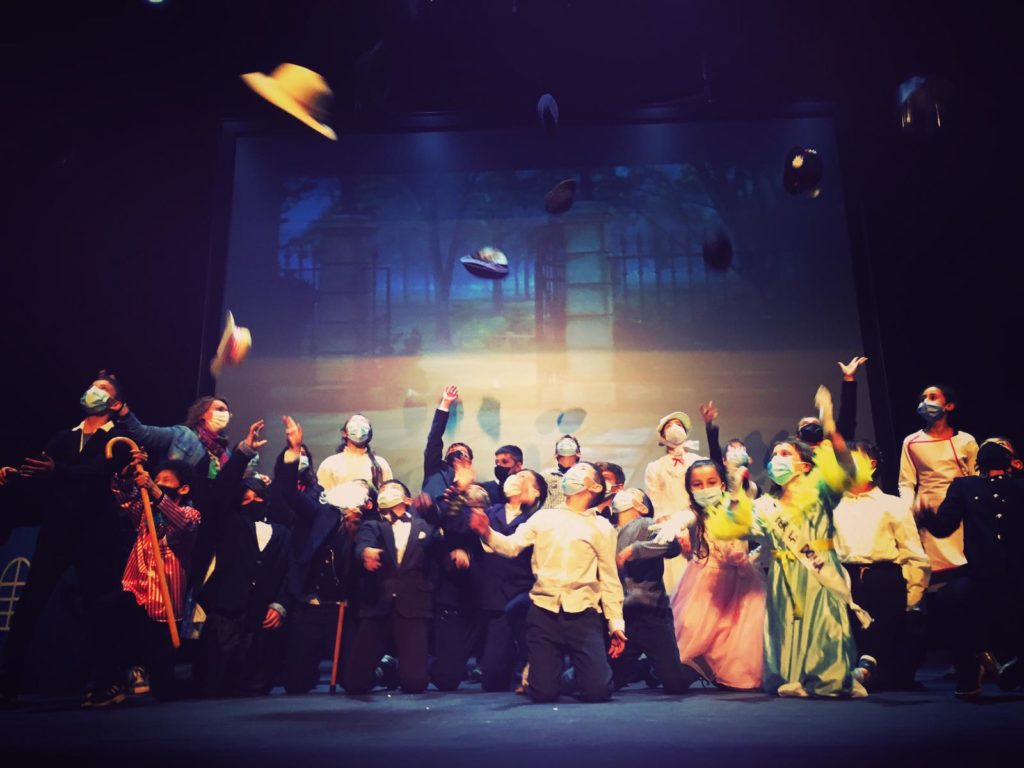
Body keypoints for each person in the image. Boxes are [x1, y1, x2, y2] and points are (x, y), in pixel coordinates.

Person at [714, 424, 870, 698]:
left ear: (805, 465)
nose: (777, 459)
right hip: (783, 574)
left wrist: (832, 429)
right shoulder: (765, 505)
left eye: (785, 454)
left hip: (818, 570)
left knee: (824, 627)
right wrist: (735, 489)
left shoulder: (821, 492)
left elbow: (848, 472)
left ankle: (833, 678)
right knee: (785, 628)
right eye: (774, 455)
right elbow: (736, 527)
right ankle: (792, 678)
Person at [0, 372, 127, 707]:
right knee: (29, 604)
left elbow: (99, 474)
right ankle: (7, 684)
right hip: (57, 531)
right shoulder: (63, 437)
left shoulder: (118, 438)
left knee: (99, 607)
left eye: (102, 389)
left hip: (96, 535)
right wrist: (17, 476)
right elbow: (43, 473)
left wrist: (58, 471)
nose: (93, 392)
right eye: (92, 386)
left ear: (114, 403)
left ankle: (108, 683)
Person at [468, 462, 627, 703]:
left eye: (581, 472)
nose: (572, 474)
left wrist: (616, 625)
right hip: (544, 612)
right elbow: (511, 546)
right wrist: (486, 532)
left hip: (583, 614)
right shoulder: (543, 517)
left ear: (595, 487)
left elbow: (609, 579)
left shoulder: (601, 527)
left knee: (598, 691)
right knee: (543, 692)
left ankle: (574, 673)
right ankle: (539, 672)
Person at [90, 455, 201, 706]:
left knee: (164, 686)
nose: (157, 482)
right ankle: (109, 683)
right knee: (104, 609)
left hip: (163, 600)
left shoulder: (191, 514)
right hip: (138, 589)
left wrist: (153, 487)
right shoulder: (145, 512)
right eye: (156, 479)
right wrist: (126, 475)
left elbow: (182, 523)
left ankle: (178, 684)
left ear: (183, 489)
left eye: (165, 480)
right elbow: (125, 497)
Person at [920, 437, 1024, 696]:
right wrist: (927, 516)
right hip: (988, 575)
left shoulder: (1010, 487)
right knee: (955, 598)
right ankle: (971, 673)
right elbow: (944, 526)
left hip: (1004, 575)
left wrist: (926, 516)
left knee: (965, 600)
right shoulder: (967, 486)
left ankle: (998, 667)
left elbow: (943, 527)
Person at [195, 419, 291, 697]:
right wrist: (244, 452)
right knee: (215, 683)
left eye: (256, 498)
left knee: (253, 687)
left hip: (261, 616)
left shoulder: (282, 533)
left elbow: (288, 572)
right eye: (245, 499)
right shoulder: (230, 522)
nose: (251, 503)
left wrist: (280, 605)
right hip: (226, 610)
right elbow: (222, 492)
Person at [833, 441, 930, 690]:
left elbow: (913, 554)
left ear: (871, 464)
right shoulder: (834, 506)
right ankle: (861, 669)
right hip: (846, 578)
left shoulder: (892, 504)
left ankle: (876, 669)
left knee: (889, 648)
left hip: (883, 577)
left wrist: (912, 599)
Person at [275, 416, 362, 695]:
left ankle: (380, 665)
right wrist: (294, 449)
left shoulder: (367, 526)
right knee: (296, 684)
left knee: (355, 682)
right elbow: (289, 492)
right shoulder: (321, 511)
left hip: (343, 608)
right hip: (311, 604)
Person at [670, 459, 767, 691]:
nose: (705, 489)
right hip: (706, 580)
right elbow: (685, 518)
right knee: (696, 628)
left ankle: (727, 672)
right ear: (690, 489)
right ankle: (692, 668)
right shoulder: (694, 513)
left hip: (741, 580)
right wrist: (673, 524)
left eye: (711, 482)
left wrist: (755, 556)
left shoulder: (735, 506)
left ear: (722, 484)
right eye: (697, 484)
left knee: (738, 633)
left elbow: (751, 520)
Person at [344, 483, 446, 695]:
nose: (386, 493)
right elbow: (363, 544)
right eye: (383, 491)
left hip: (413, 603)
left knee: (414, 683)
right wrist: (365, 553)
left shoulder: (423, 526)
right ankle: (384, 670)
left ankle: (415, 664)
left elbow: (439, 545)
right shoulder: (373, 525)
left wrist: (433, 512)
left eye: (393, 490)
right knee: (354, 683)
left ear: (407, 500)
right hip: (379, 601)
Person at [611, 488, 701, 693]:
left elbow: (671, 547)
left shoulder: (645, 523)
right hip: (623, 617)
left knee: (675, 684)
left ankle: (699, 666)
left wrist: (635, 550)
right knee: (610, 680)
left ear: (641, 507)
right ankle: (645, 669)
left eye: (632, 492)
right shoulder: (608, 529)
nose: (623, 493)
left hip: (652, 614)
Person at [470, 470, 546, 691]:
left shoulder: (538, 520)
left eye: (524, 478)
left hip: (525, 594)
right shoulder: (490, 512)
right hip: (496, 596)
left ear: (536, 491)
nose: (516, 480)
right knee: (492, 680)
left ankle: (532, 669)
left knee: (532, 647)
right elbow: (460, 522)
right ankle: (507, 662)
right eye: (516, 476)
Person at [898, 384, 977, 575]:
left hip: (961, 511)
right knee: (936, 572)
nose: (926, 402)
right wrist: (909, 510)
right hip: (928, 511)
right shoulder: (911, 441)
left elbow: (975, 479)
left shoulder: (965, 441)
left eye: (933, 397)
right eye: (923, 398)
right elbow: (906, 482)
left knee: (965, 567)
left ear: (949, 405)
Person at [644, 411, 704, 595]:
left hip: (698, 528)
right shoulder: (655, 467)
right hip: (670, 532)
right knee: (676, 585)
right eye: (669, 426)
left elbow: (704, 499)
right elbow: (656, 504)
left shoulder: (699, 462)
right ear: (662, 435)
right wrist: (677, 531)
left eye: (678, 424)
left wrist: (689, 527)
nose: (674, 428)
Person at [795, 356, 867, 446]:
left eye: (815, 424)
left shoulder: (835, 447)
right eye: (805, 424)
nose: (811, 427)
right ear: (797, 437)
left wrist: (849, 378)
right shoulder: (794, 453)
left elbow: (847, 416)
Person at [421, 385, 475, 503]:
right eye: (452, 451)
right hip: (429, 513)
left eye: (463, 453)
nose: (457, 453)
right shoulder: (435, 468)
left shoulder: (474, 487)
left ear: (470, 462)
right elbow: (434, 439)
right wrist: (445, 404)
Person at [317, 414, 393, 492]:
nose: (358, 424)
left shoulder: (380, 464)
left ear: (369, 433)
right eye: (353, 421)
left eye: (363, 422)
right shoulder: (330, 463)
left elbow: (389, 493)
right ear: (344, 433)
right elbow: (321, 494)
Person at [542, 434, 582, 509]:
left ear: (578, 454)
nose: (566, 446)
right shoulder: (546, 475)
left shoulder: (584, 475)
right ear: (556, 454)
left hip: (574, 515)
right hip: (550, 514)